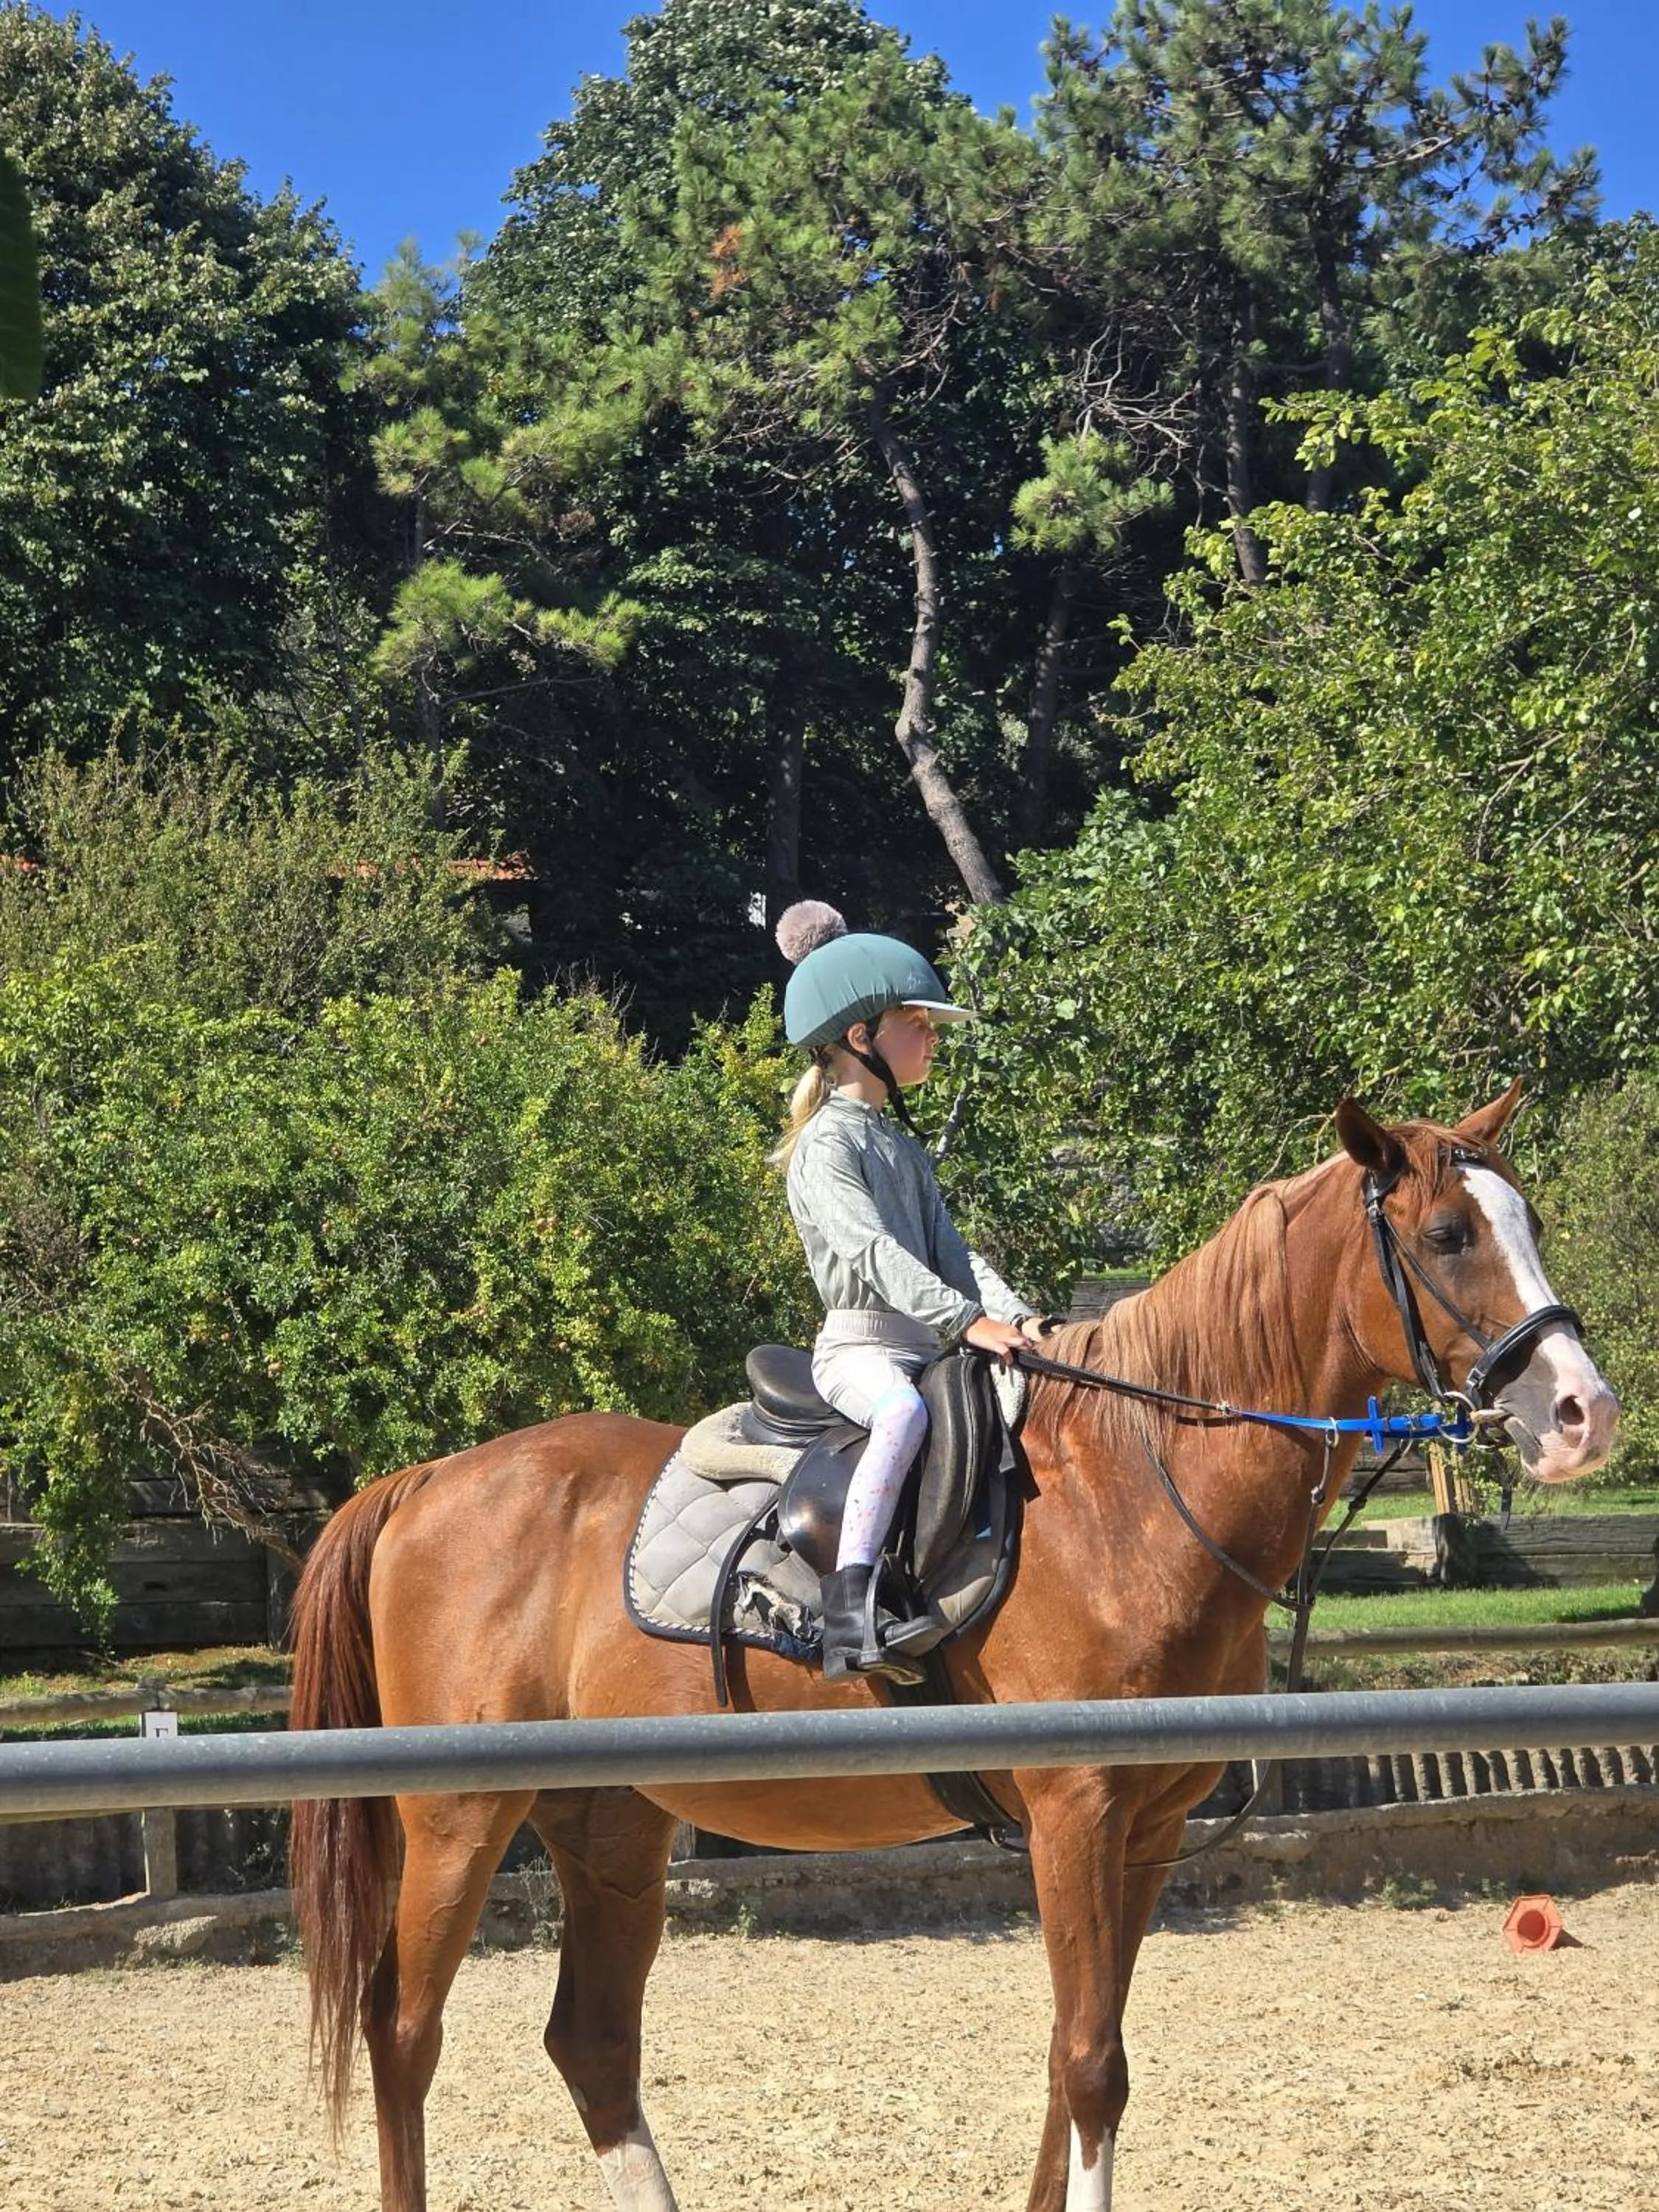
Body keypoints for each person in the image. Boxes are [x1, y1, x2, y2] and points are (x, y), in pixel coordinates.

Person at [772, 900, 1055, 1683]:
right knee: (901, 1416)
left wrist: (1016, 1315)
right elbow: (872, 1253)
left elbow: (952, 1254)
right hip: (861, 1347)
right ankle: (850, 1608)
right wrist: (969, 1323)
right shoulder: (825, 1147)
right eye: (916, 1022)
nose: (931, 1036)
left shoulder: (900, 1144)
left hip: (927, 1340)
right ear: (862, 1037)